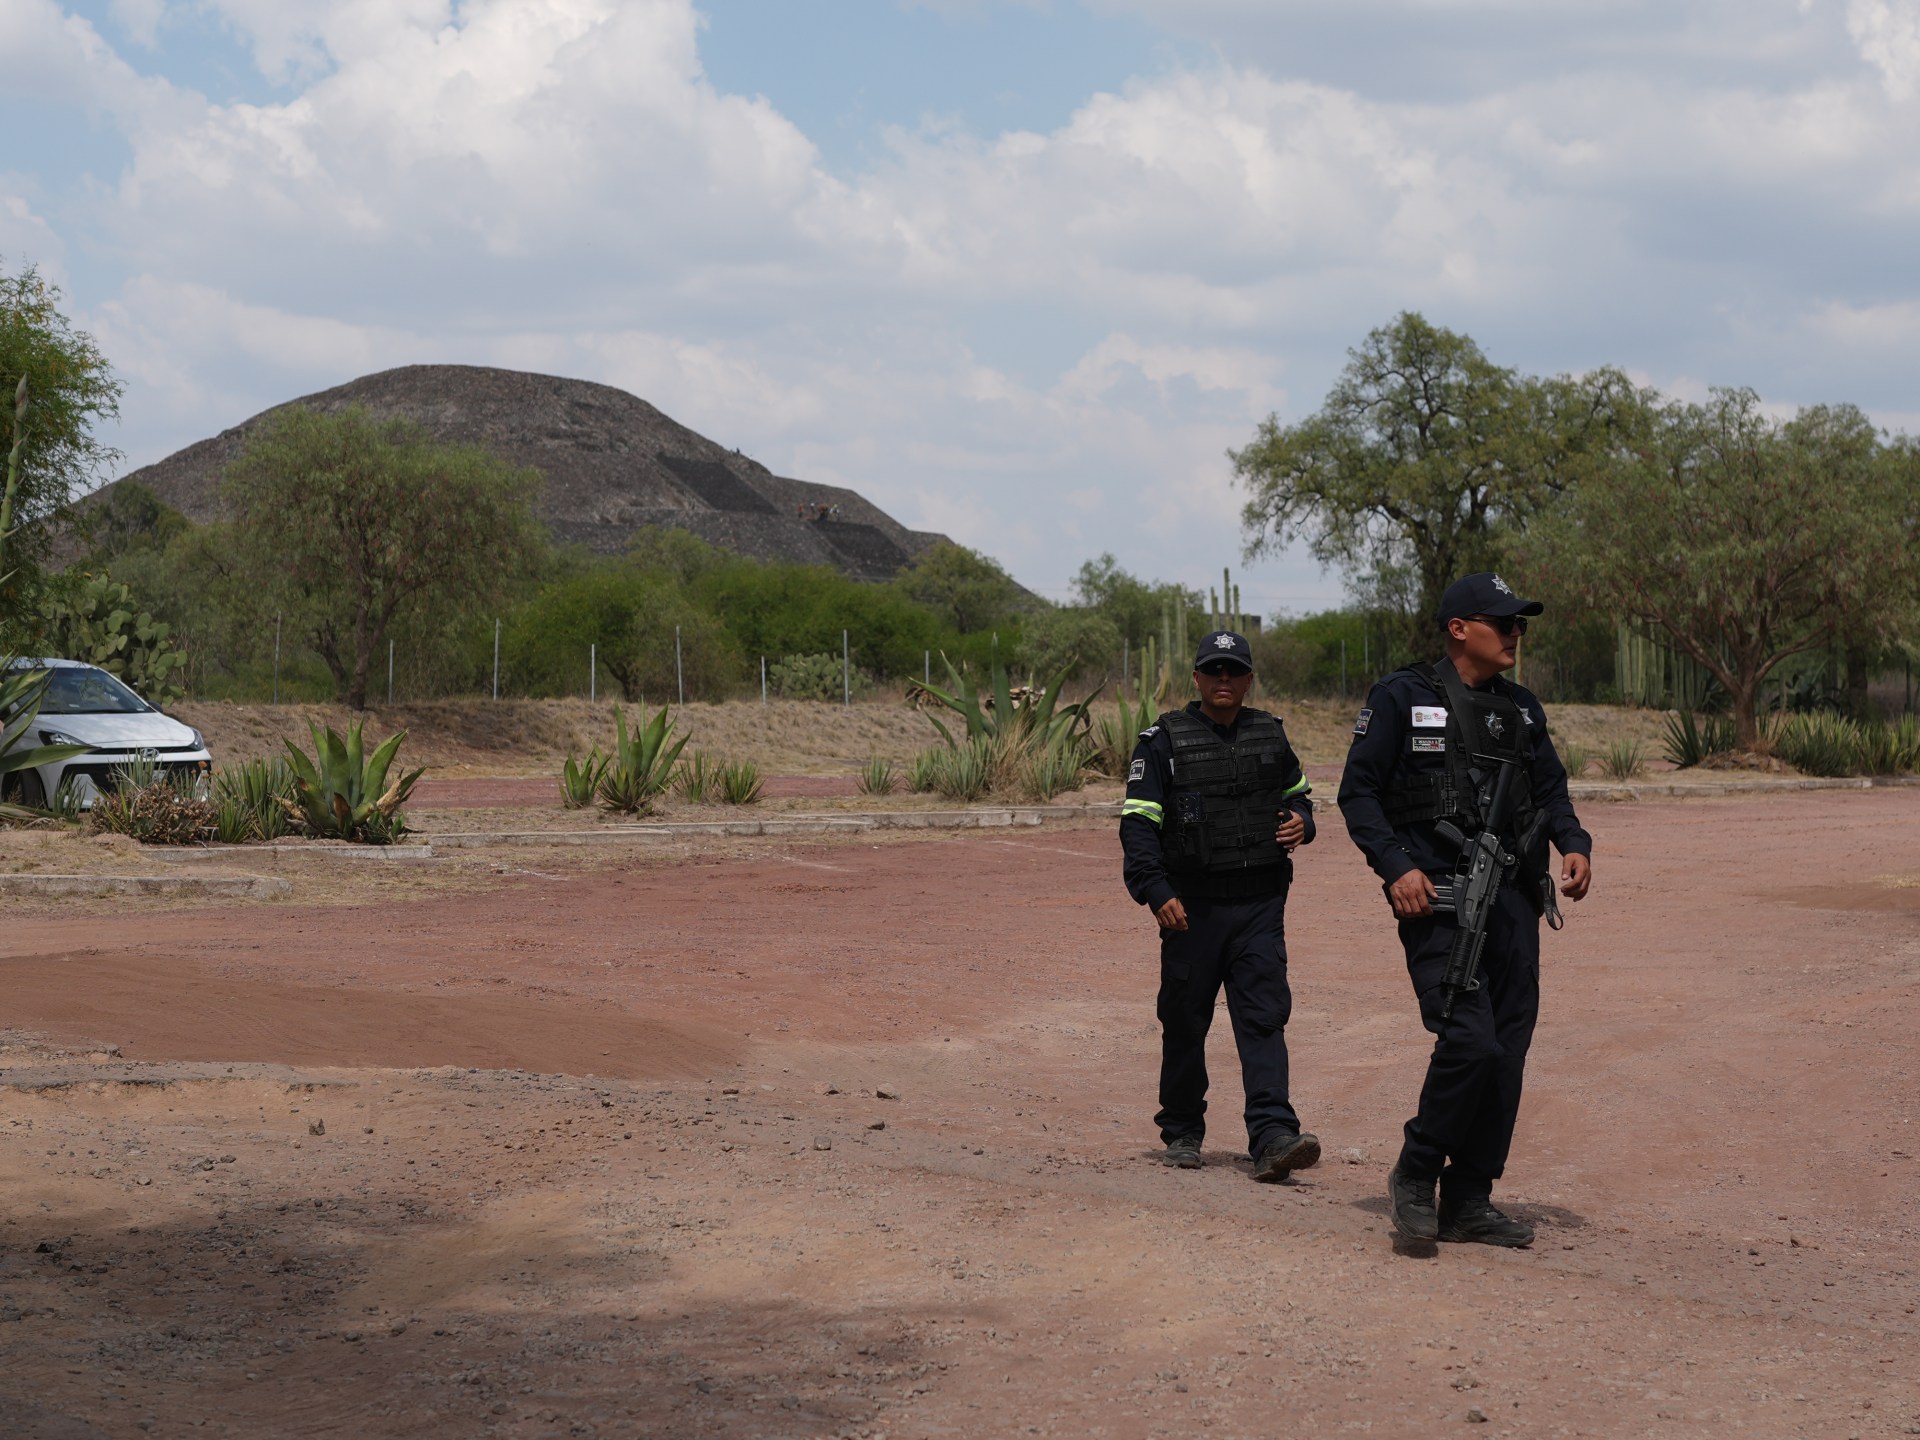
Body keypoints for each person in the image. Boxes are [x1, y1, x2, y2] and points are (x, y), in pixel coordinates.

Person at [1337, 573, 1593, 1247]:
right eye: (1503, 623)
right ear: (1459, 629)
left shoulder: (1522, 708)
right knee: (1470, 1041)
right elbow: (1357, 794)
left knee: (1506, 1054)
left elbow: (1551, 790)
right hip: (1441, 901)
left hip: (1515, 904)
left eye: (1520, 625)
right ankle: (1416, 1172)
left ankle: (1470, 1198)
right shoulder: (1401, 696)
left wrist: (1574, 844)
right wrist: (1396, 866)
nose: (1515, 634)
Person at [1120, 630, 1321, 1182]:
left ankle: (1273, 1136)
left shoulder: (1271, 734)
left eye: (1234, 670)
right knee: (1185, 1022)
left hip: (1260, 907)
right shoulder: (1161, 742)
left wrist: (1303, 822)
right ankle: (1183, 1130)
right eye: (1214, 670)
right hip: (1192, 911)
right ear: (1197, 678)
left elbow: (1299, 796)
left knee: (1264, 1019)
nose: (1224, 679)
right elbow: (1138, 825)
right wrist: (1156, 891)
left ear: (1249, 679)